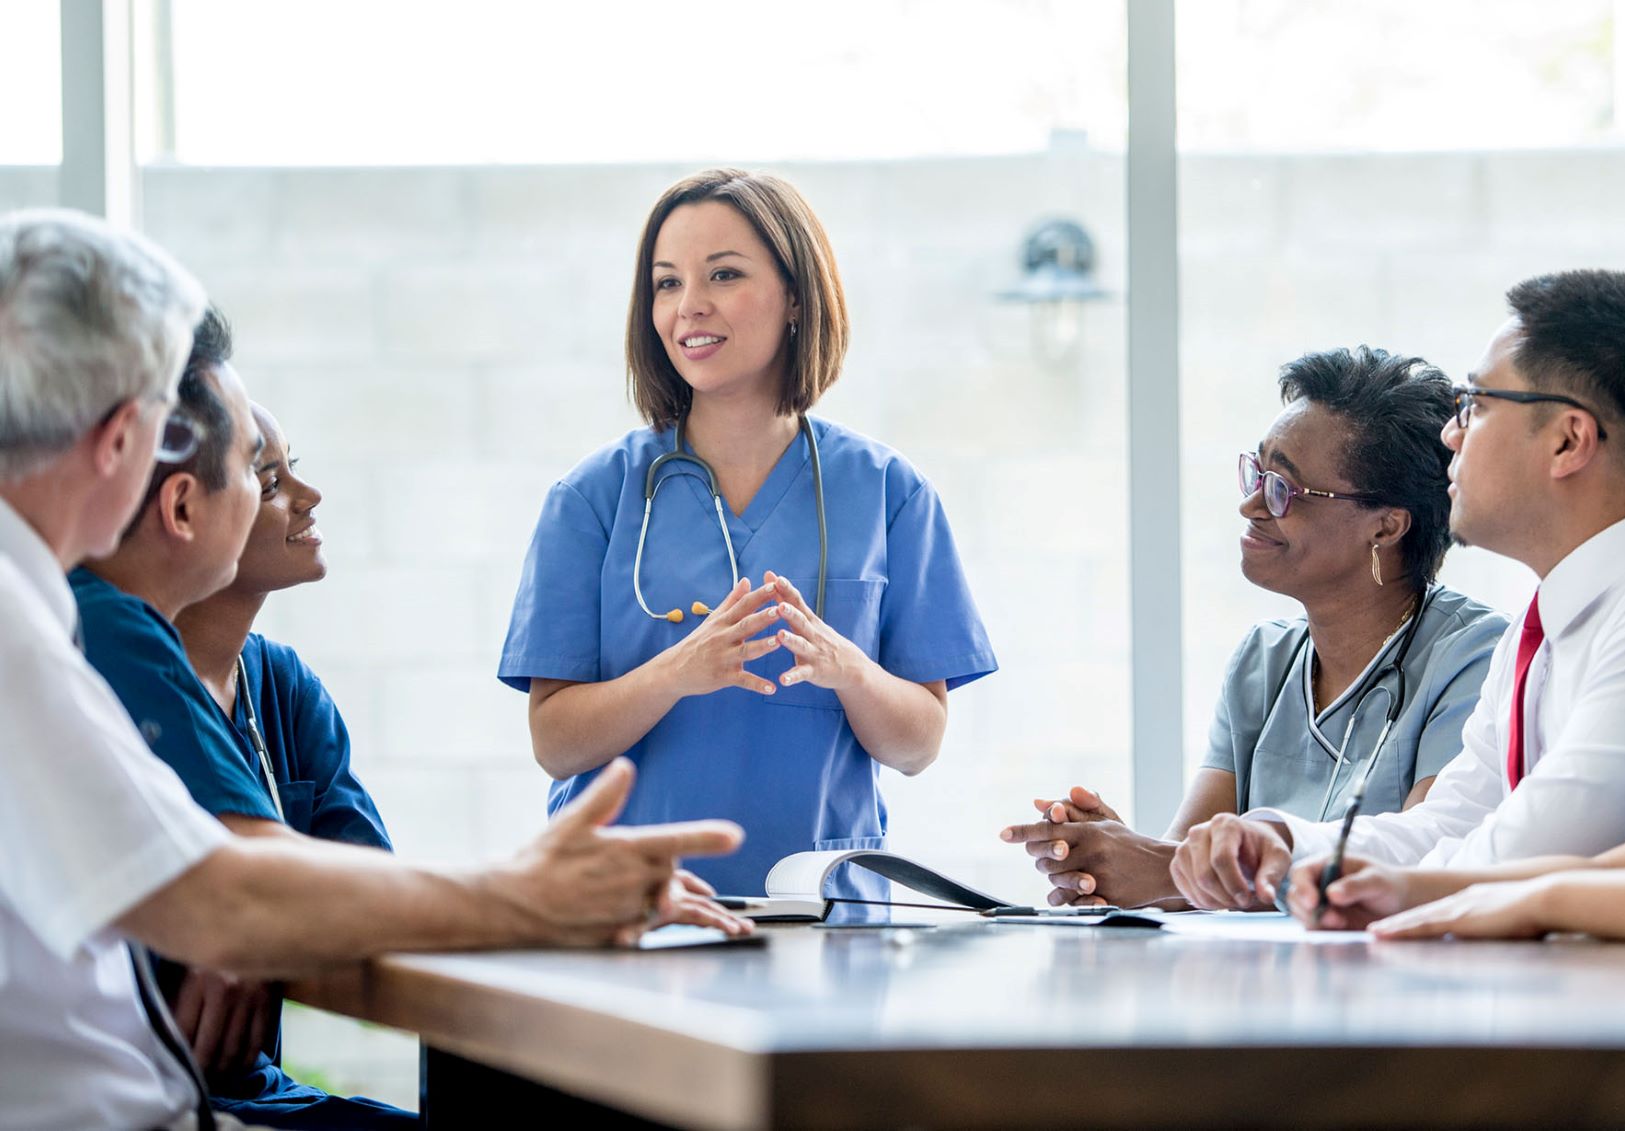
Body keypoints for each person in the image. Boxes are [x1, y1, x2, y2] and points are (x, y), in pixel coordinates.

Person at [0, 209, 745, 1131]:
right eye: (248, 464)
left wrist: (258, 912)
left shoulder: (61, 616)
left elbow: (225, 888)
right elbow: (219, 896)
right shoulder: (31, 625)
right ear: (121, 442)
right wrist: (535, 893)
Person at [1168, 269, 1625, 913]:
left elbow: (1524, 853)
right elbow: (1451, 822)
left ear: (1568, 440)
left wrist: (1339, 879)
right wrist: (1287, 843)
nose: (1451, 435)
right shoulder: (1542, 626)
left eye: (1475, 406)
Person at [499, 169, 997, 900]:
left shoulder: (889, 492)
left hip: (821, 911)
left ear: (796, 295)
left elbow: (917, 745)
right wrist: (675, 671)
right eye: (666, 284)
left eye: (723, 274)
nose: (688, 307)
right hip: (629, 912)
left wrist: (848, 669)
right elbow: (556, 743)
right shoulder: (593, 498)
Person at [998, 348, 1506, 908]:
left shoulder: (1475, 658)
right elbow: (1182, 873)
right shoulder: (1264, 658)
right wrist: (1110, 860)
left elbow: (1430, 860)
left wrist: (1156, 867)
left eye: (1282, 489)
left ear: (1385, 526)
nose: (1250, 505)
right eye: (1256, 472)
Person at [74, 308, 409, 1126]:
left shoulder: (282, 685)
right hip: (160, 1093)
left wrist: (261, 913)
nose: (306, 494)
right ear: (182, 507)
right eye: (263, 475)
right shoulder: (100, 632)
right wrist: (255, 902)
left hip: (245, 1088)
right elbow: (267, 887)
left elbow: (364, 881)